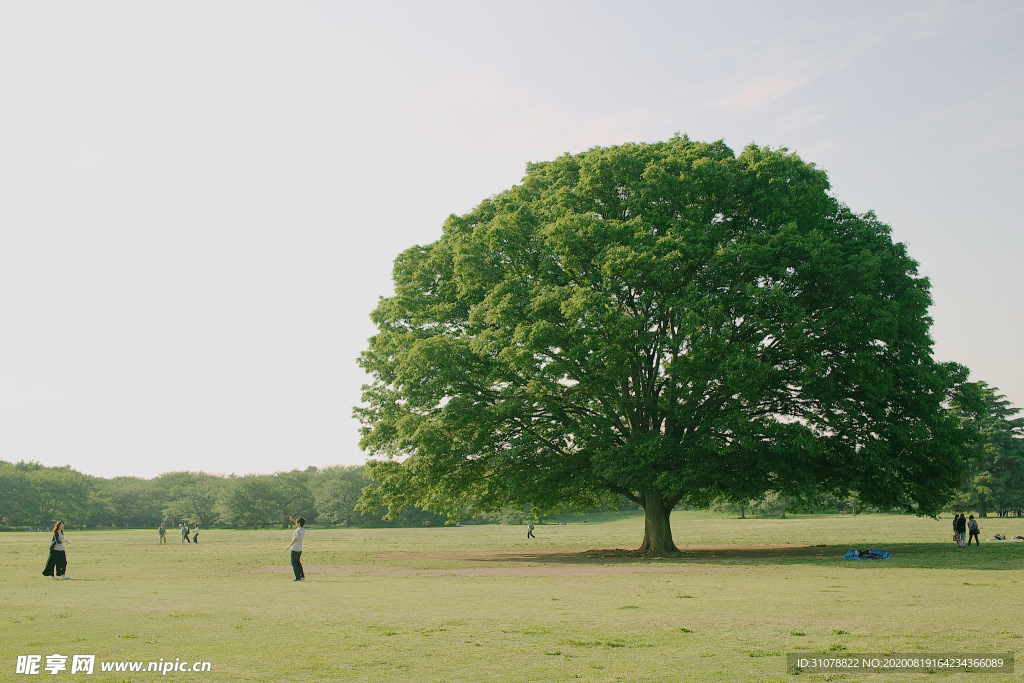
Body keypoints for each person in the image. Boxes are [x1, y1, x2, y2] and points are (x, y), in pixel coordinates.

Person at [285, 516, 305, 581]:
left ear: (298, 523)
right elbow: (298, 525)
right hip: (299, 549)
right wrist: (293, 520)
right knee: (298, 563)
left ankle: (297, 577)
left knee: (294, 564)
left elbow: (295, 539)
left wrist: (288, 546)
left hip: (295, 549)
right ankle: (302, 575)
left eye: (296, 522)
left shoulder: (297, 531)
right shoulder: (302, 529)